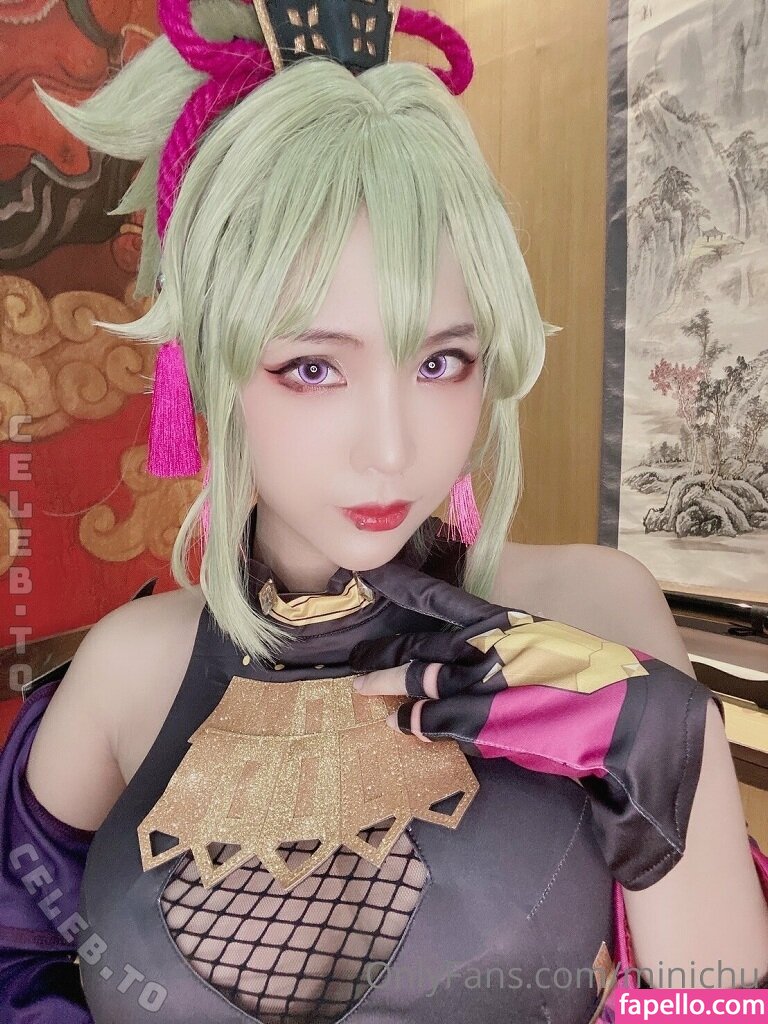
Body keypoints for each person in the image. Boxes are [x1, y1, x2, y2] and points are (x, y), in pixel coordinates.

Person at [2, 1, 768, 1021]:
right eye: (315, 367)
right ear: (209, 372)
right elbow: (20, 951)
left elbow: (714, 1006)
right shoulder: (128, 665)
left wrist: (675, 766)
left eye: (440, 362)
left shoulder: (596, 609)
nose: (395, 448)